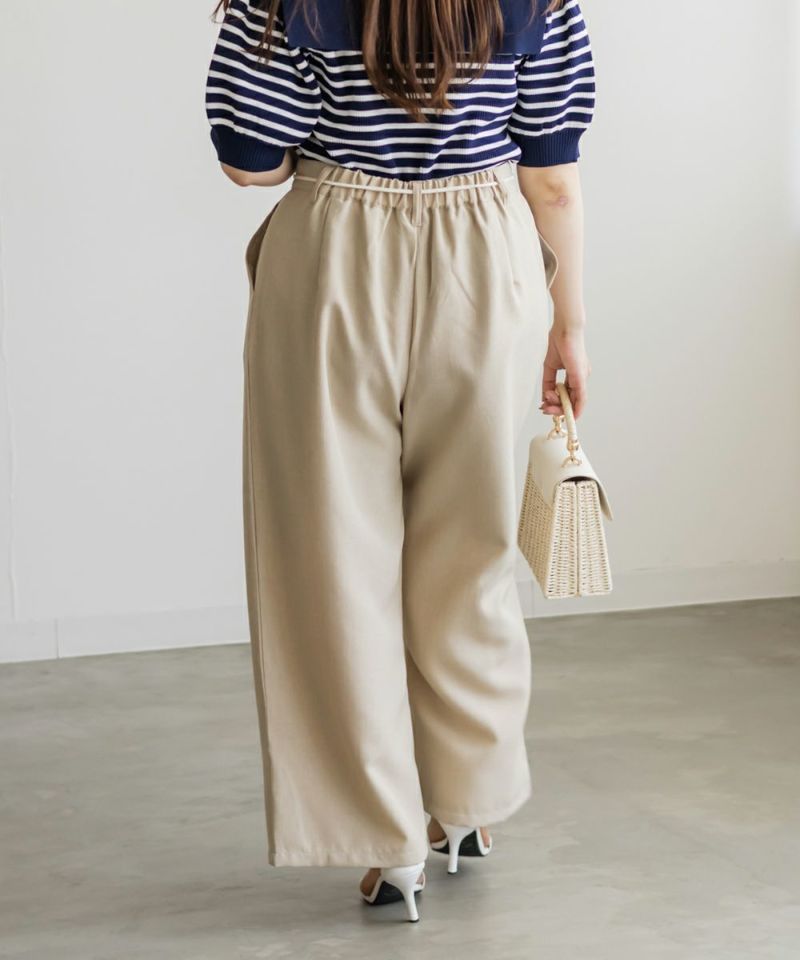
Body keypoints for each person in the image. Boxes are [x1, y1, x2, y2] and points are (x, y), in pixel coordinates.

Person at [205, 0, 594, 922]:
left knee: (335, 562)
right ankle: (466, 803)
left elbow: (248, 161)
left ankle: (385, 843)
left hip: (335, 254)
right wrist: (571, 325)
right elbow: (552, 177)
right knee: (472, 549)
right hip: (487, 255)